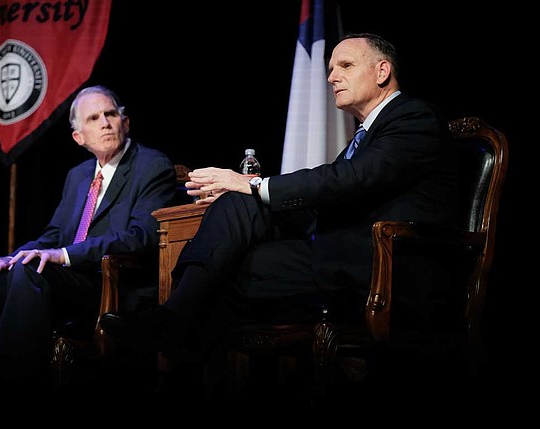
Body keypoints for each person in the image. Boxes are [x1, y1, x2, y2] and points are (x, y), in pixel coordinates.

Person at [99, 34, 459, 369]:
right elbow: (328, 198)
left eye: (345, 66)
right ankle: (174, 323)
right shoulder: (366, 135)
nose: (332, 76)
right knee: (236, 209)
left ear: (382, 71)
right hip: (336, 253)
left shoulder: (414, 118)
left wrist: (254, 183)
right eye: (330, 68)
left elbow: (350, 180)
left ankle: (174, 336)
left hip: (384, 265)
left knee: (222, 272)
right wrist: (244, 194)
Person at [0, 85, 177, 390]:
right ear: (79, 138)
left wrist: (64, 255)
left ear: (125, 122)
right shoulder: (78, 175)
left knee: (32, 269)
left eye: (110, 114)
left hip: (107, 283)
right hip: (60, 278)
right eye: (93, 118)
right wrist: (11, 258)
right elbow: (54, 235)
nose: (105, 122)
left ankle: (2, 383)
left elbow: (139, 237)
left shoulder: (151, 166)